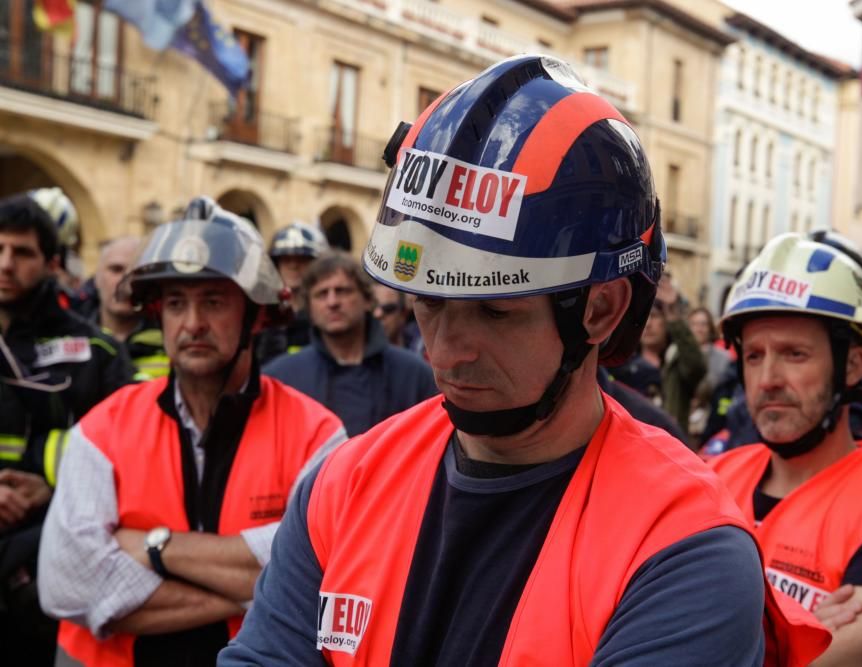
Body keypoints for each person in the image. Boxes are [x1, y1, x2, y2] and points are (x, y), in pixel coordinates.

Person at [221, 54, 828, 666]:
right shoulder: (342, 483)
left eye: (494, 311)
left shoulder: (683, 543)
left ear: (600, 310)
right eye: (427, 303)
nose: (445, 351)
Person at [37, 197, 348, 667]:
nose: (193, 323)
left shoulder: (317, 433)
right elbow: (68, 584)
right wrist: (258, 584)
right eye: (176, 303)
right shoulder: (103, 428)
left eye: (214, 301)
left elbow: (325, 573)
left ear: (257, 315)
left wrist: (149, 546)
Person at [708, 233, 862, 665]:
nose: (768, 380)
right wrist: (796, 634)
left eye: (794, 354)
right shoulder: (709, 478)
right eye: (755, 356)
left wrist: (702, 619)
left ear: (853, 364)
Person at [0, 192, 133, 666]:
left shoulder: (96, 353)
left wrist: (52, 485)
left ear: (53, 262)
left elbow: (129, 462)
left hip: (49, 570)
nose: (5, 264)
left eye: (22, 252)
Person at [264, 251, 438, 437]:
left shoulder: (414, 375)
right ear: (310, 310)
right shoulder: (281, 379)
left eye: (342, 291)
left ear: (367, 301)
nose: (332, 302)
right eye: (322, 294)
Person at [92, 235, 170, 379]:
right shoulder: (75, 339)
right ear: (96, 278)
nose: (125, 282)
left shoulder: (171, 341)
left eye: (138, 272)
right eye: (116, 269)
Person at [256, 221, 329, 365]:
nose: (293, 265)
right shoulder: (262, 313)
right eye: (286, 259)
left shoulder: (329, 310)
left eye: (302, 259)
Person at [687, 306, 733, 439]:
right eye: (694, 324)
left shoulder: (723, 357)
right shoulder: (675, 354)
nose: (699, 329)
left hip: (711, 421)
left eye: (703, 324)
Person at [372, 282, 411, 348]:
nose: (378, 314)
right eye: (372, 307)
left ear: (403, 314)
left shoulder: (420, 349)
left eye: (388, 308)